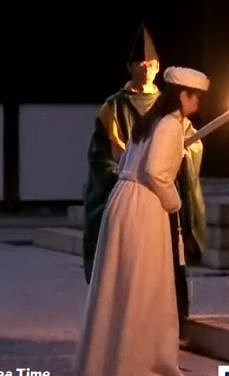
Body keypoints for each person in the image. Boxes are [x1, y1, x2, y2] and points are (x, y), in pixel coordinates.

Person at [74, 66, 210, 376]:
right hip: (144, 206)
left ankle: (114, 363)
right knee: (143, 286)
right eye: (196, 97)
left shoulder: (150, 122)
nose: (198, 104)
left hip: (124, 200)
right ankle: (132, 366)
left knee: (120, 282)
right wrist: (174, 202)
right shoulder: (170, 124)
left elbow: (126, 163)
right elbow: (155, 172)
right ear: (184, 95)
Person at [83, 24, 161, 285]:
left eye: (150, 64)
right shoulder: (113, 106)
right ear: (130, 67)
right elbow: (100, 158)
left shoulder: (166, 106)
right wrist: (122, 179)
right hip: (125, 188)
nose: (146, 69)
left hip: (159, 192)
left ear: (158, 67)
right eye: (140, 63)